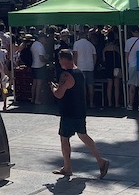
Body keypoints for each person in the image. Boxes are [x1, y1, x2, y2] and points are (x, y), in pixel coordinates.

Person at [50, 49, 109, 179]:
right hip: (80, 110)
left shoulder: (66, 75)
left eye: (60, 59)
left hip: (69, 111)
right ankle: (100, 161)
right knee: (83, 135)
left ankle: (67, 167)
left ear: (64, 60)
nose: (59, 62)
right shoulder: (79, 72)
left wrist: (53, 88)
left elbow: (59, 94)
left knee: (64, 138)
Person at [72, 28, 97, 105]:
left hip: (80, 66)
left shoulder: (76, 44)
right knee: (90, 85)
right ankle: (92, 102)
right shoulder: (91, 45)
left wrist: (74, 65)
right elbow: (95, 56)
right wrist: (93, 64)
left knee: (82, 85)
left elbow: (75, 55)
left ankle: (84, 102)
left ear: (79, 36)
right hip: (90, 66)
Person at [100, 30, 123, 109]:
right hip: (116, 67)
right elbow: (121, 57)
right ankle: (116, 103)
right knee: (116, 86)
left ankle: (109, 102)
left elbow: (103, 59)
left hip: (108, 67)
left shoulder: (105, 49)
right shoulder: (116, 47)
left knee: (109, 85)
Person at [31, 31, 49, 104]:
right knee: (39, 84)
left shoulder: (34, 44)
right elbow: (41, 58)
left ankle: (32, 98)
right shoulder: (40, 46)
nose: (45, 40)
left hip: (34, 65)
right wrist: (46, 60)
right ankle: (37, 99)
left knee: (34, 83)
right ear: (41, 38)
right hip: (40, 66)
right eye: (45, 38)